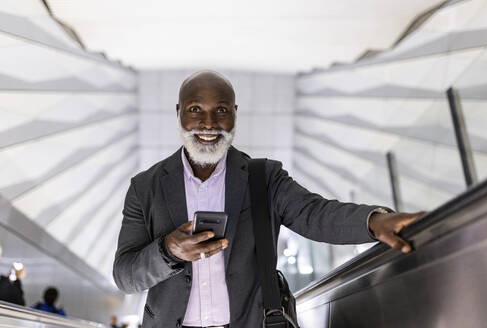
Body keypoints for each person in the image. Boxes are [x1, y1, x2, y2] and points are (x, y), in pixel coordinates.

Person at [113, 70, 424, 328]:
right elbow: (125, 275)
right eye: (195, 110)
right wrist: (169, 250)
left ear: (234, 114)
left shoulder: (263, 177)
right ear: (179, 112)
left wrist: (374, 221)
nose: (209, 123)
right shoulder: (146, 187)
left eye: (221, 110)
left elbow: (315, 215)